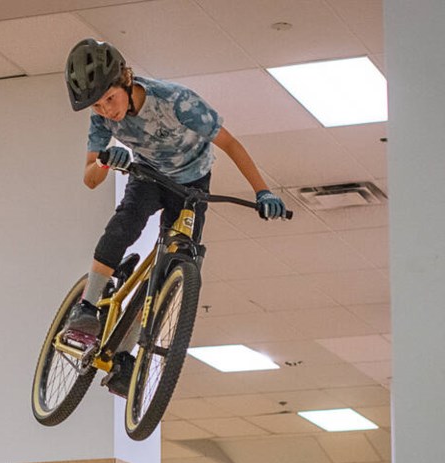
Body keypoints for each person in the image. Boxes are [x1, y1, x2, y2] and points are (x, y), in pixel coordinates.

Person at [63, 39, 289, 342]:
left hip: (192, 181)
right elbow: (90, 179)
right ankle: (86, 309)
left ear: (126, 81)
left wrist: (263, 192)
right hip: (149, 176)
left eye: (110, 99)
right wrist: (105, 162)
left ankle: (129, 354)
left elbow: (231, 144)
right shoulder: (102, 119)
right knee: (124, 226)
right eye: (98, 105)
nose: (107, 111)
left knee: (177, 266)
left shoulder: (176, 102)